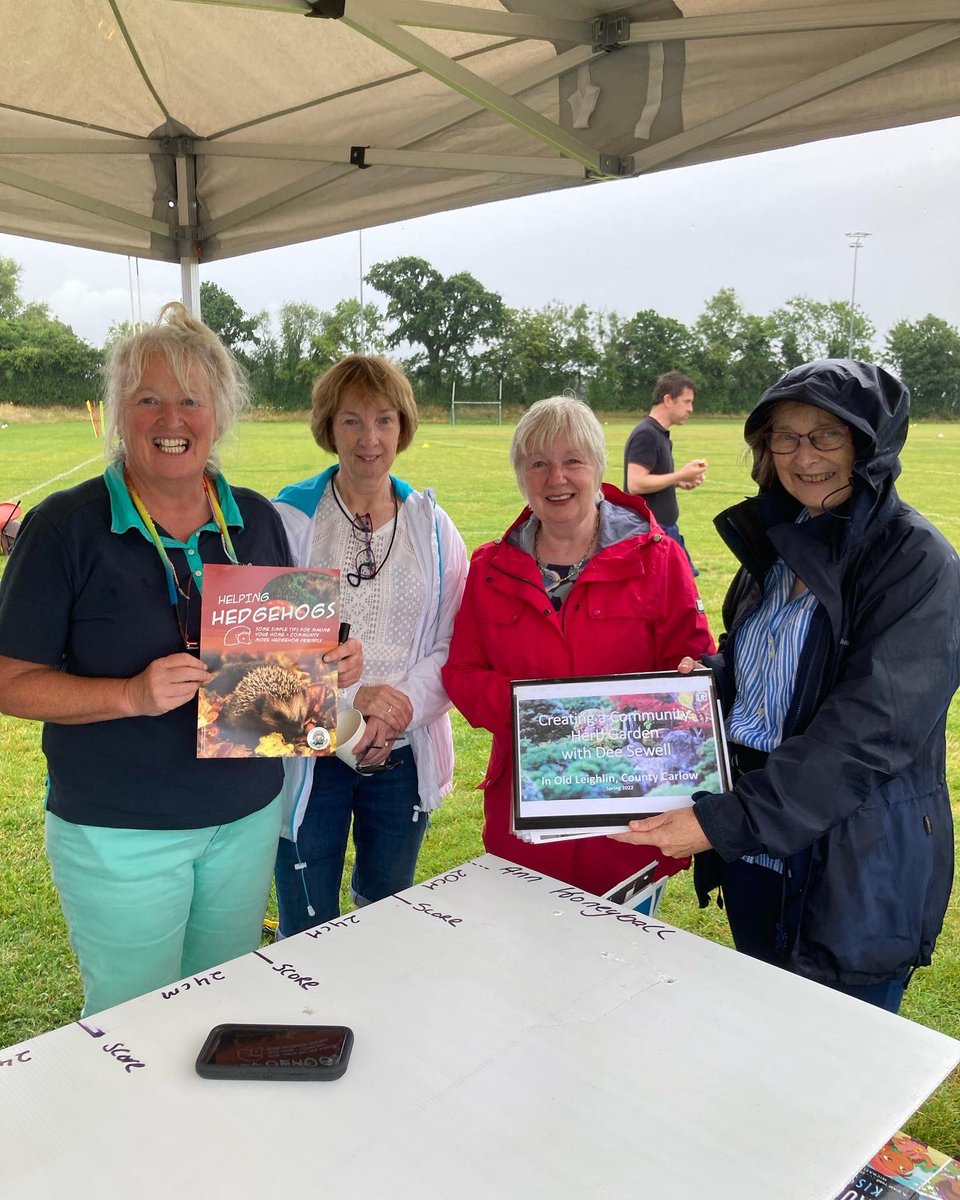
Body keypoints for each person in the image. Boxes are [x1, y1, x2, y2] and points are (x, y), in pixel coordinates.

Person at [0, 303, 361, 1017]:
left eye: (191, 400)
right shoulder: (65, 528)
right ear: (117, 414)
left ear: (218, 415)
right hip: (119, 832)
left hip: (243, 816)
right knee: (134, 1019)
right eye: (149, 399)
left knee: (218, 1006)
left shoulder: (254, 518)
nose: (173, 419)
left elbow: (279, 672)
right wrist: (129, 695)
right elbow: (10, 680)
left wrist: (327, 664)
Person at [613, 360, 960, 1012]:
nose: (804, 457)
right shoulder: (779, 545)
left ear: (869, 442)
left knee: (840, 1064)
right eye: (786, 437)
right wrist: (712, 680)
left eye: (826, 435)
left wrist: (722, 823)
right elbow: (770, 673)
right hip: (760, 852)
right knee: (768, 1035)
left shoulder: (917, 564)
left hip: (855, 866)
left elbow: (865, 733)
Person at [441, 395, 715, 897]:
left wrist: (657, 706)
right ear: (521, 474)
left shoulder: (659, 560)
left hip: (627, 823)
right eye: (538, 463)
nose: (556, 477)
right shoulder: (489, 570)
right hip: (524, 817)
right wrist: (541, 716)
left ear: (598, 467)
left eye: (572, 460)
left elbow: (692, 673)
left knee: (620, 968)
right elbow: (462, 673)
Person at [273, 354, 468, 935]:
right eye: (352, 421)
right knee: (306, 923)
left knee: (385, 914)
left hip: (401, 752)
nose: (369, 438)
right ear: (329, 428)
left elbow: (454, 643)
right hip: (308, 750)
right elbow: (259, 653)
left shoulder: (432, 526)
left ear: (402, 428)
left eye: (384, 420)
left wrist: (397, 705)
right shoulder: (290, 519)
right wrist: (343, 717)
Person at [623, 370, 706, 573]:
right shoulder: (646, 434)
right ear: (668, 399)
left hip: (665, 529)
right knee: (675, 594)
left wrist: (678, 482)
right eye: (686, 402)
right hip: (651, 533)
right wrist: (680, 475)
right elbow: (635, 484)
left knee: (683, 592)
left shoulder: (658, 434)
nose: (690, 409)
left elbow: (648, 479)